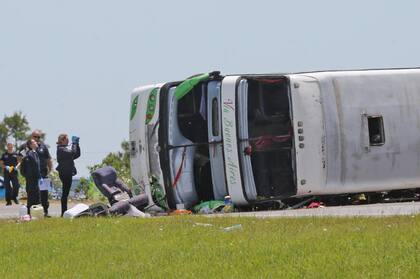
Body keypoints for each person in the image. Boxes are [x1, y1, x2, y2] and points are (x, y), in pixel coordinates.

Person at [56, 134, 81, 216]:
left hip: (68, 172)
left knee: (65, 193)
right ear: (62, 140)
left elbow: (76, 154)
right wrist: (74, 144)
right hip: (64, 173)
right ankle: (63, 212)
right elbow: (73, 152)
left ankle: (64, 212)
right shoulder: (61, 149)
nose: (68, 141)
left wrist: (77, 144)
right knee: (65, 193)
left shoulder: (64, 149)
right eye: (66, 139)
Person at [31, 130, 53, 217]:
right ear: (32, 137)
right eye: (35, 137)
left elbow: (48, 159)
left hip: (43, 173)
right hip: (31, 174)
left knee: (44, 193)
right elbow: (20, 158)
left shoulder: (43, 147)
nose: (36, 139)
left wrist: (50, 170)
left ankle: (45, 212)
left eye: (38, 137)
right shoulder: (27, 146)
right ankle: (33, 212)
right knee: (33, 193)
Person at [20, 139, 41, 215]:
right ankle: (30, 214)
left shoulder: (32, 153)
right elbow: (35, 166)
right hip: (32, 179)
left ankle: (33, 214)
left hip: (32, 179)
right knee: (33, 198)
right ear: (31, 145)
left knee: (34, 198)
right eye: (34, 142)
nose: (36, 143)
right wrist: (39, 176)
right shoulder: (31, 154)